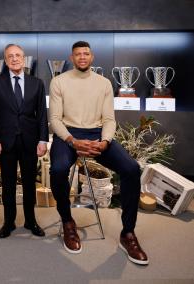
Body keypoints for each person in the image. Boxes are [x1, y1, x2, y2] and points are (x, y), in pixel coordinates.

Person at [49, 40, 149, 265]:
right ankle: (67, 222)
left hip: (97, 134)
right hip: (68, 135)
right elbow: (54, 119)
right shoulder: (58, 81)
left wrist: (104, 142)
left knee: (132, 169)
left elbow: (109, 120)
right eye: (77, 54)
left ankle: (128, 234)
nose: (82, 57)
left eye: (86, 54)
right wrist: (72, 141)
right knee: (57, 169)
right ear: (72, 58)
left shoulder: (104, 83)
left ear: (92, 57)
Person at [0, 44, 48, 239]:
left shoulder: (37, 83)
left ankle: (31, 221)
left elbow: (42, 115)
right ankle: (9, 222)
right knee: (8, 184)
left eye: (18, 55)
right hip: (5, 141)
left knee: (30, 183)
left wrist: (43, 140)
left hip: (30, 141)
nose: (14, 59)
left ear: (23, 58)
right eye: (10, 56)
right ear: (5, 61)